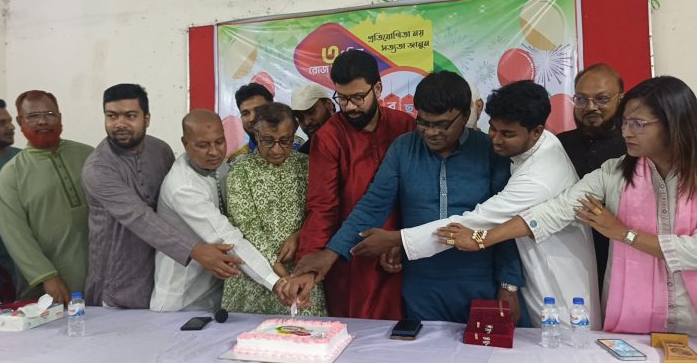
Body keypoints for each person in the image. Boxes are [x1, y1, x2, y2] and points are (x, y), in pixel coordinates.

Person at [447, 76, 697, 336]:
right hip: (637, 312)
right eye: (624, 122)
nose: (626, 132)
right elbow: (558, 210)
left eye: (638, 124)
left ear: (673, 123)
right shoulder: (615, 172)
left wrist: (624, 233)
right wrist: (483, 238)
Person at [354, 80, 599, 328]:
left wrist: (397, 239)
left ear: (536, 131)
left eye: (507, 134)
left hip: (553, 276)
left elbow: (478, 221)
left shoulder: (539, 177)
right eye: (492, 129)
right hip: (440, 281)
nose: (495, 140)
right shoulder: (534, 144)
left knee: (562, 339)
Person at [292, 71, 524, 324]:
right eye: (423, 122)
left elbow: (504, 220)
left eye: (443, 124)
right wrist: (330, 254)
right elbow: (372, 206)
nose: (431, 132)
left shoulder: (489, 151)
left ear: (465, 115)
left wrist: (508, 284)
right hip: (420, 286)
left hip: (480, 282)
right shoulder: (403, 148)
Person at [82, 84, 242, 309]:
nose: (120, 124)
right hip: (119, 280)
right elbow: (139, 217)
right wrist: (195, 250)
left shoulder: (160, 150)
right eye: (112, 116)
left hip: (161, 272)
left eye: (130, 116)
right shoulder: (98, 169)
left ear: (146, 118)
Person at [291, 49, 415, 320]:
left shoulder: (405, 127)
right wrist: (311, 262)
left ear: (377, 89)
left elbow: (418, 193)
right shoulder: (329, 138)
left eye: (358, 97)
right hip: (349, 258)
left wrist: (401, 240)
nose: (349, 107)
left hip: (400, 254)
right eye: (342, 98)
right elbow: (322, 206)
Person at [151, 109, 286, 312]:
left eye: (219, 142)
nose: (214, 152)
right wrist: (275, 282)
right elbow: (228, 239)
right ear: (185, 144)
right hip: (180, 300)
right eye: (203, 145)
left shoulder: (219, 166)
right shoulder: (183, 187)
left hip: (216, 291)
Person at [222, 102, 326, 315]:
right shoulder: (240, 171)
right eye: (268, 141)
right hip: (255, 277)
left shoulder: (308, 166)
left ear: (294, 134)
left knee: (307, 333)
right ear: (256, 133)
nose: (277, 149)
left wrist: (300, 235)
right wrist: (281, 276)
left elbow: (321, 213)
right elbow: (248, 229)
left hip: (302, 274)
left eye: (285, 141)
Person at [0, 91, 92, 305]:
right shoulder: (12, 174)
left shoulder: (88, 155)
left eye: (49, 114)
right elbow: (15, 234)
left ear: (60, 117)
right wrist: (46, 276)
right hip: (50, 289)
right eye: (32, 116)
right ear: (21, 121)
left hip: (100, 277)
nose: (42, 121)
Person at [557, 63, 627, 294]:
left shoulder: (634, 147)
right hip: (567, 262)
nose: (590, 107)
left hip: (622, 261)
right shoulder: (557, 145)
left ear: (621, 99)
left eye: (602, 99)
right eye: (581, 99)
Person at [228, 83, 302, 161]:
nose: (252, 118)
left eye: (258, 110)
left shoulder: (299, 146)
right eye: (245, 113)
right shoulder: (236, 160)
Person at [0, 98, 20, 303]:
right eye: (1, 123)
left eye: (9, 121)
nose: (11, 127)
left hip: (19, 264)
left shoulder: (23, 161)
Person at [290, 83, 335, 154]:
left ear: (329, 105)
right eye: (300, 117)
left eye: (311, 112)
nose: (306, 122)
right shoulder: (305, 155)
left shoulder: (352, 133)